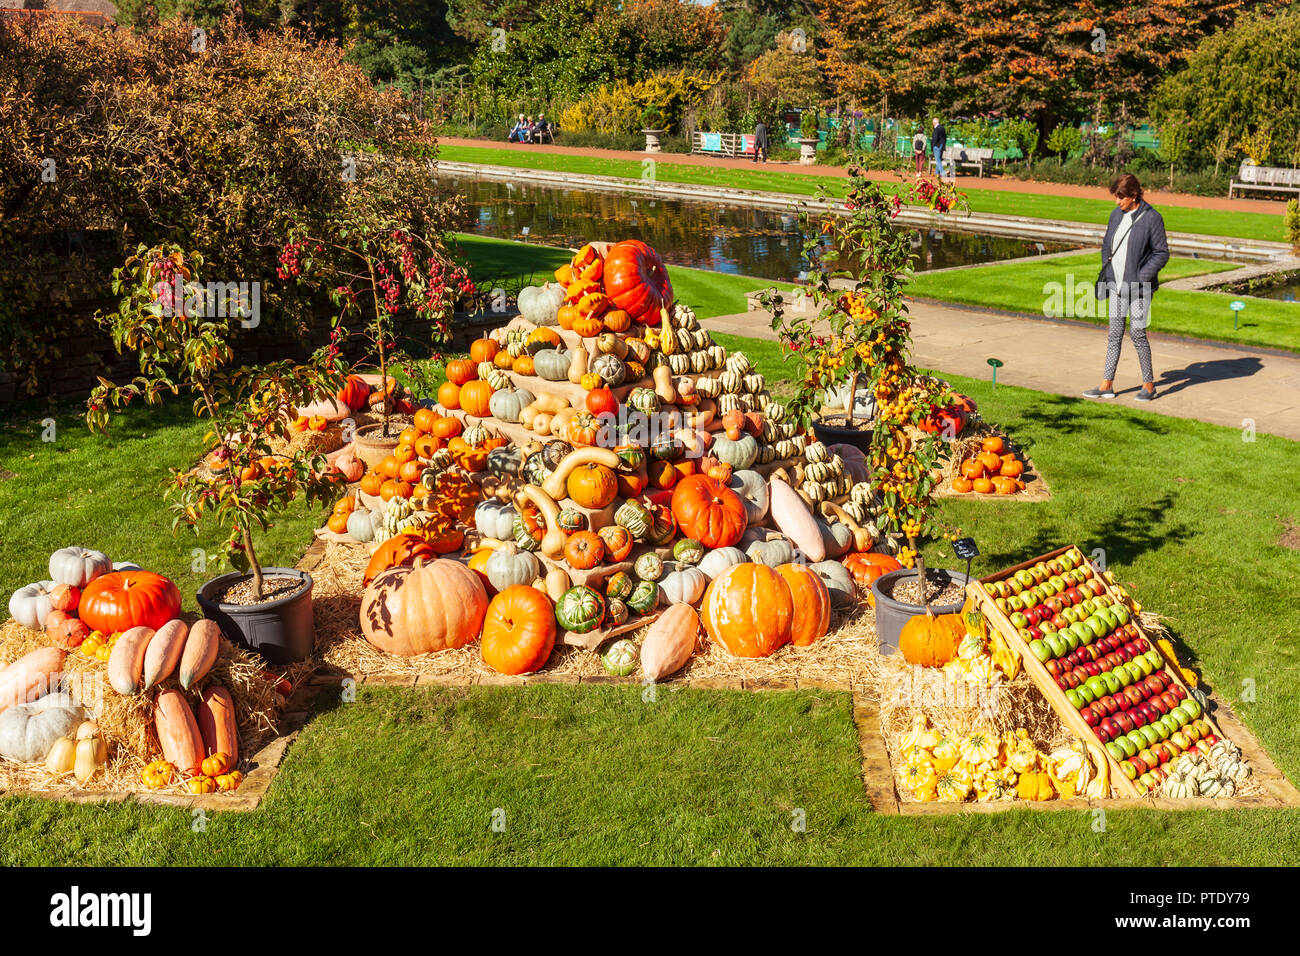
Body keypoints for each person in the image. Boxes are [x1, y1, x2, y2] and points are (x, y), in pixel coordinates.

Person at [1084, 173, 1169, 402]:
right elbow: (1106, 246)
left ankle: (1149, 385)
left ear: (1133, 195)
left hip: (1140, 289)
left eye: (1121, 197)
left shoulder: (1152, 218)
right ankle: (1106, 384)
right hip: (1117, 286)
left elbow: (1162, 253)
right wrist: (1109, 272)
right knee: (1114, 334)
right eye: (1116, 196)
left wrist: (1141, 277)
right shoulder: (1115, 215)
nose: (1116, 201)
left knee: (1138, 333)